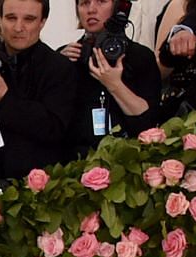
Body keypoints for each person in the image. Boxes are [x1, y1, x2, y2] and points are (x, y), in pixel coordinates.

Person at [0, 0, 79, 182]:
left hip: (37, 187)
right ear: (0, 20)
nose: (19, 27)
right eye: (11, 18)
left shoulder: (59, 68)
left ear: (42, 22)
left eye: (29, 19)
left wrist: (5, 98)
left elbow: (54, 129)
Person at [61, 0, 163, 153]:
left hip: (129, 158)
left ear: (117, 7)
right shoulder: (67, 58)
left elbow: (149, 125)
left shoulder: (140, 57)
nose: (91, 9)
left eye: (101, 1)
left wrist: (114, 84)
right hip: (76, 163)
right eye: (84, 3)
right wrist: (56, 65)